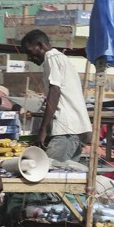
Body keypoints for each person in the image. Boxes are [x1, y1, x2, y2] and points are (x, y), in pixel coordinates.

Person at [19, 29, 92, 162]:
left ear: (40, 45)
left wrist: (43, 129)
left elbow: (55, 91)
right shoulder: (59, 58)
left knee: (47, 171)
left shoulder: (51, 57)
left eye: (30, 52)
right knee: (66, 176)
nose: (29, 58)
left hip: (65, 131)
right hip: (74, 130)